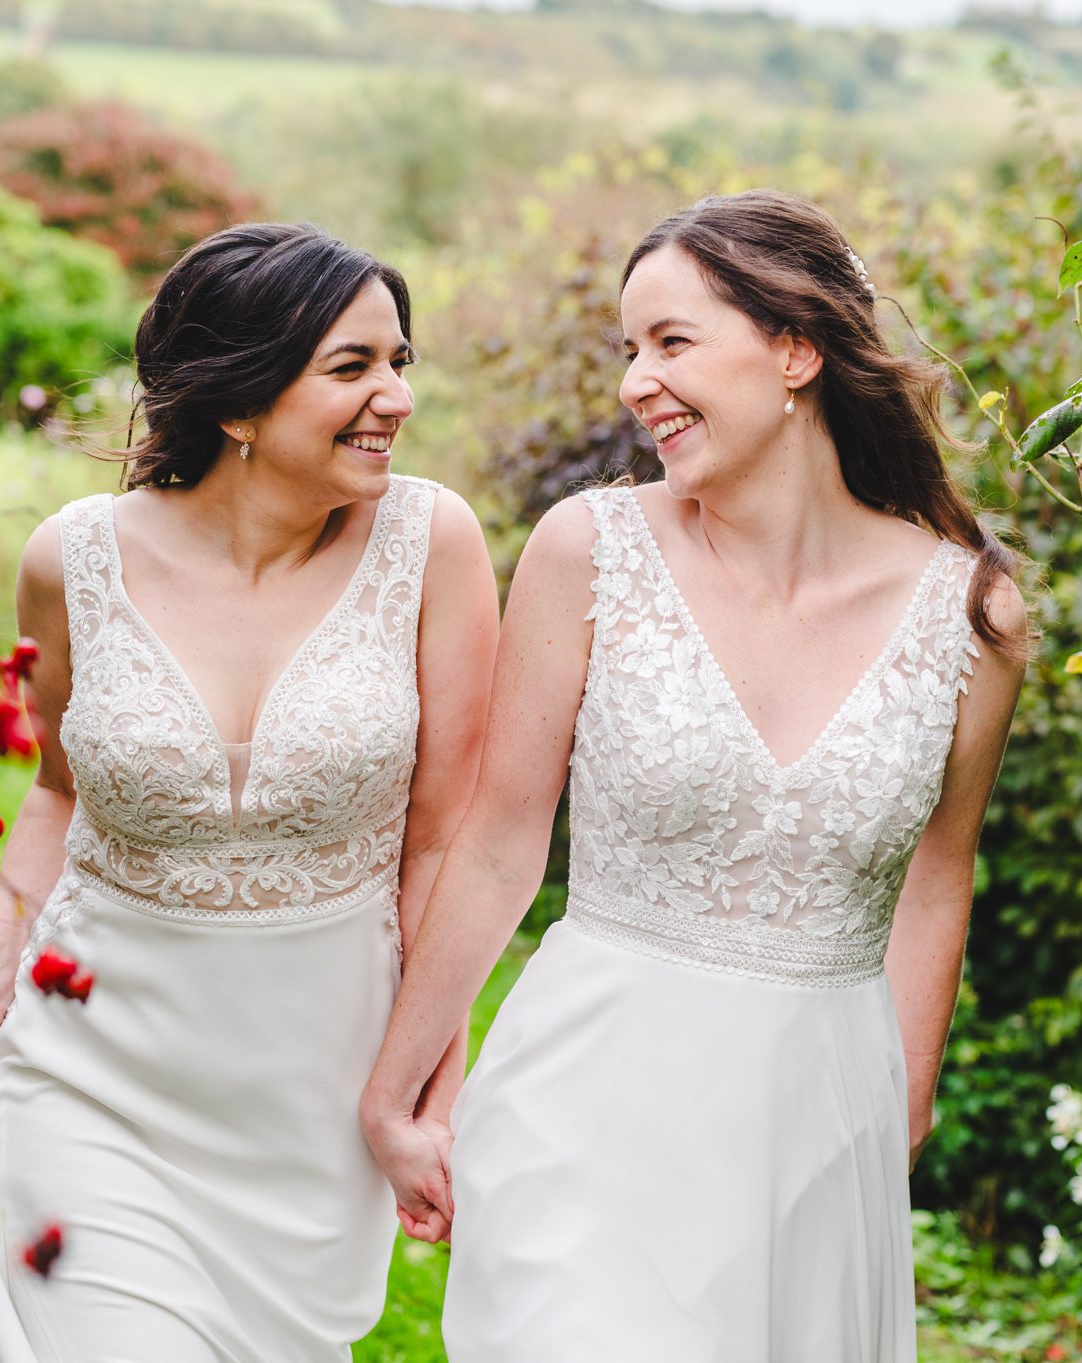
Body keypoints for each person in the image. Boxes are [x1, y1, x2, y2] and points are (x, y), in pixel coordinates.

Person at [359, 189, 1030, 1361]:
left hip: (813, 1129)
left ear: (794, 350)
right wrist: (400, 1083)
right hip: (586, 1102)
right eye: (629, 349)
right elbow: (501, 840)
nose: (634, 381)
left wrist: (899, 1106)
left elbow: (936, 874)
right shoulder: (587, 551)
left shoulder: (970, 614)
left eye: (670, 342)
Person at [0, 222, 497, 1362]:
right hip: (95, 1072)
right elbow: (57, 792)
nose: (395, 397)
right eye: (352, 368)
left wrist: (420, 1094)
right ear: (239, 404)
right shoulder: (73, 560)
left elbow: (446, 845)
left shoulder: (432, 542)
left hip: (309, 1106)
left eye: (401, 363)